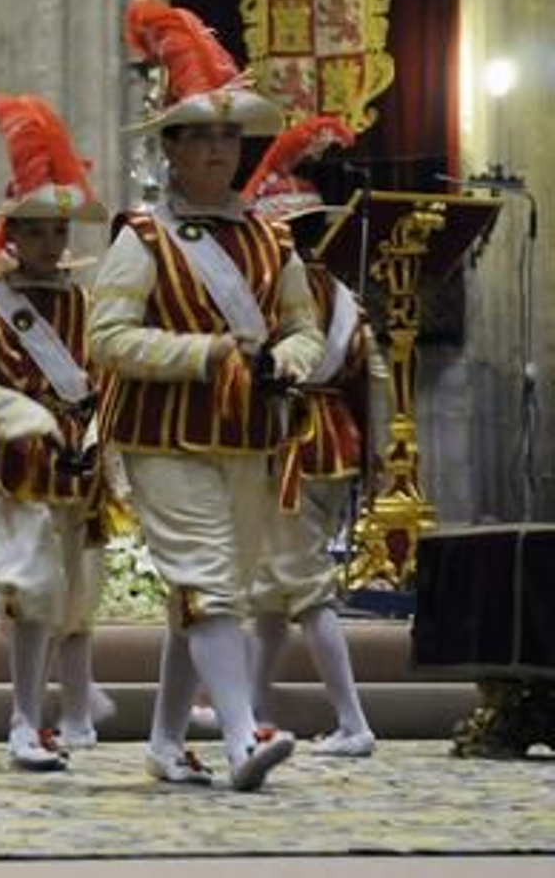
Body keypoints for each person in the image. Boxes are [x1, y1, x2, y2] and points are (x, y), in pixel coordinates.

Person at [90, 0, 324, 791]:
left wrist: (292, 360)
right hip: (164, 434)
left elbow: (302, 325)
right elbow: (108, 340)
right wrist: (206, 353)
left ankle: (163, 740)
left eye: (230, 135)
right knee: (209, 576)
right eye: (204, 136)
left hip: (252, 432)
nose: (221, 149)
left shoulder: (272, 237)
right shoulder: (142, 237)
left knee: (206, 586)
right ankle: (237, 734)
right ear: (174, 149)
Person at [0, 93, 109, 769]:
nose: (52, 244)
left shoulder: (86, 303)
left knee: (78, 594)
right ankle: (24, 718)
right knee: (32, 590)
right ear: (13, 235)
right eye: (37, 232)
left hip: (80, 464)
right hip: (19, 462)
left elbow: (102, 376)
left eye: (60, 232)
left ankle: (75, 710)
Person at [240, 114, 377, 757]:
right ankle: (250, 704)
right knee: (275, 591)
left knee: (308, 587)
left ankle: (353, 721)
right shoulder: (343, 294)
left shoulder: (275, 300)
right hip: (335, 440)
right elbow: (362, 372)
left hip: (292, 440)